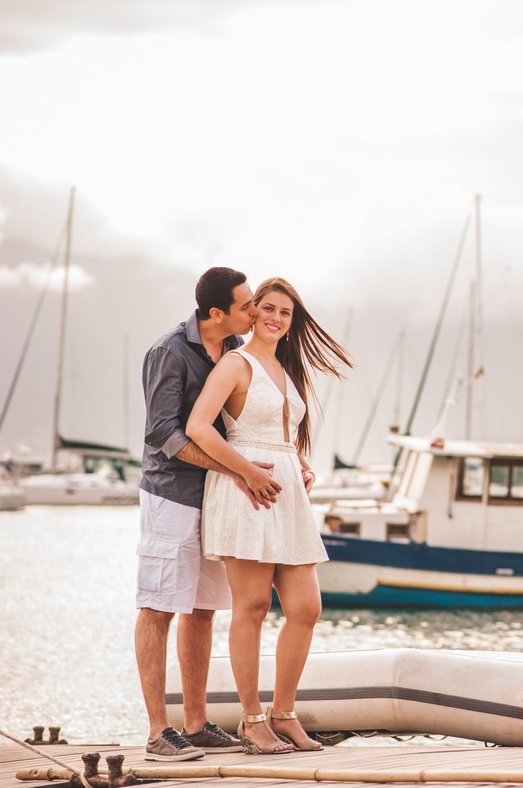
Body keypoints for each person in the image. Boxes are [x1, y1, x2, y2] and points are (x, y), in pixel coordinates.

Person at [186, 276, 352, 755]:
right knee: (253, 606)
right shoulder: (236, 364)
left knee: (305, 608)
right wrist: (247, 472)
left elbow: (282, 428)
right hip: (245, 488)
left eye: (286, 313)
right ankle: (252, 719)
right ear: (254, 311)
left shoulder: (284, 367)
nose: (277, 319)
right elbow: (198, 426)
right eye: (270, 309)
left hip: (287, 493)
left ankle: (285, 714)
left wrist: (298, 460)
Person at [136, 267, 283, 762]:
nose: (255, 311)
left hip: (218, 496)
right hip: (171, 495)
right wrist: (239, 470)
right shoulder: (168, 352)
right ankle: (159, 731)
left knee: (202, 610)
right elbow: (163, 434)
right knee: (158, 607)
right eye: (246, 305)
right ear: (216, 312)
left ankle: (195, 725)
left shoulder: (237, 348)